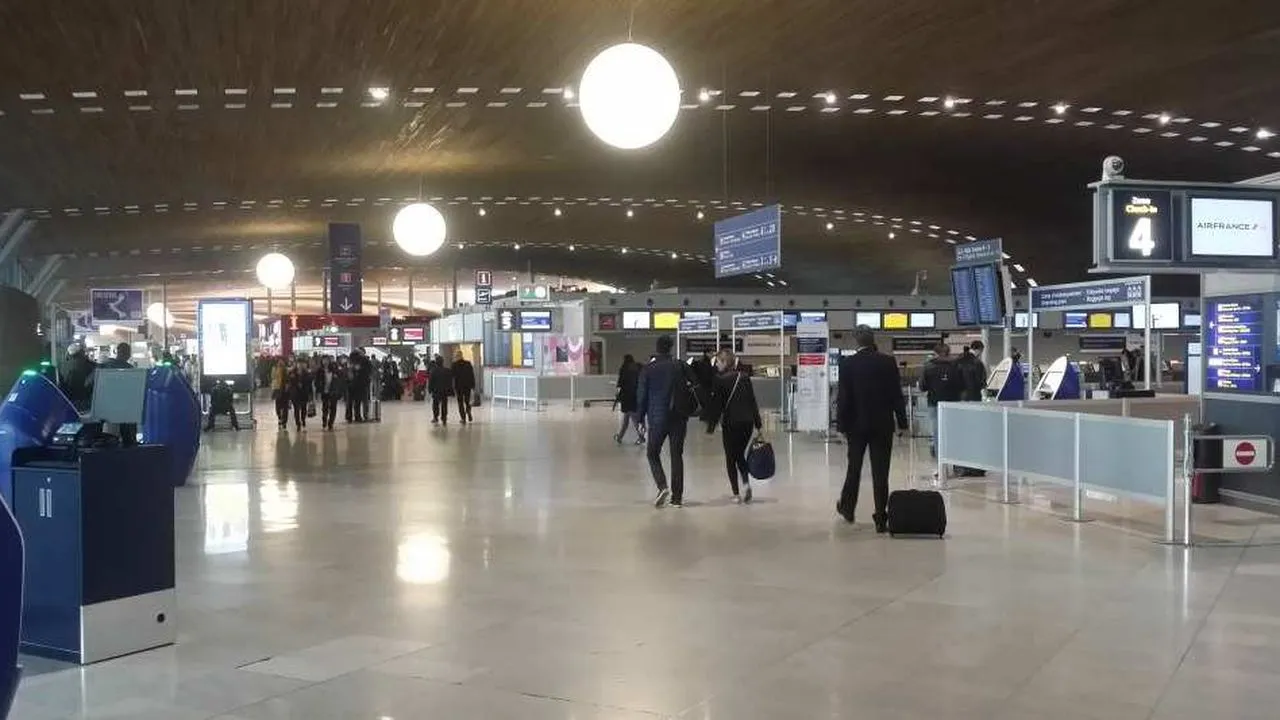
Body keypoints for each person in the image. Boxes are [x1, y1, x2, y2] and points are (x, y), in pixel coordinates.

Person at [835, 326, 908, 532]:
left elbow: (844, 398)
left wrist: (840, 425)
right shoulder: (887, 362)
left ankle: (848, 508)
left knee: (854, 469)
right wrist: (902, 423)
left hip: (856, 426)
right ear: (873, 340)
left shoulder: (848, 364)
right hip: (882, 425)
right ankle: (880, 517)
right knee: (881, 472)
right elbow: (896, 395)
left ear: (856, 342)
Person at [636, 335, 696, 508]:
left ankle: (662, 486)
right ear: (671, 348)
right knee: (677, 455)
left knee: (652, 453)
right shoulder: (680, 365)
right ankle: (677, 499)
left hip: (657, 418)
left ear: (657, 348)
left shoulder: (648, 369)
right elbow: (696, 384)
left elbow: (642, 396)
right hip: (679, 417)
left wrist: (640, 418)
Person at [706, 349, 763, 503]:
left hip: (731, 423)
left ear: (725, 362)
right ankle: (746, 484)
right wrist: (758, 424)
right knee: (739, 455)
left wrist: (711, 426)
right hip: (747, 423)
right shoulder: (744, 377)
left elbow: (717, 405)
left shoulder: (720, 380)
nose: (716, 364)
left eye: (718, 361)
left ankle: (736, 493)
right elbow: (752, 401)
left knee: (731, 458)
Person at [919, 342, 963, 460]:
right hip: (953, 402)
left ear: (935, 353)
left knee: (936, 428)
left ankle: (940, 457)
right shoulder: (957, 366)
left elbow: (923, 386)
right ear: (948, 353)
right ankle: (953, 456)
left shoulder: (928, 366)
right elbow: (962, 384)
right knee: (953, 429)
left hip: (934, 401)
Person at [613, 354, 645, 445]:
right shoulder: (638, 367)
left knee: (634, 418)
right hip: (636, 396)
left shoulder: (624, 368)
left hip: (626, 396)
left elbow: (620, 383)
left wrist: (618, 393)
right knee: (627, 418)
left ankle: (641, 436)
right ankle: (619, 436)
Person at [59, 344, 97, 412]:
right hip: (87, 401)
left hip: (71, 401)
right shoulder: (92, 366)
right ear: (82, 353)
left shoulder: (64, 366)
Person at [316, 357, 348, 431]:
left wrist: (340, 391)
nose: (325, 362)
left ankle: (331, 423)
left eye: (326, 360)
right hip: (325, 392)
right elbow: (317, 381)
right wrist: (319, 389)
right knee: (325, 408)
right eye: (324, 360)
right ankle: (324, 422)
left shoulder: (334, 370)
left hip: (333, 392)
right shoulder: (320, 371)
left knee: (333, 408)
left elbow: (340, 380)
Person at [287, 359, 313, 431]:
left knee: (303, 408)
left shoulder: (307, 373)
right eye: (299, 363)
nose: (300, 365)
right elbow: (290, 383)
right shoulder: (292, 372)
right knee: (296, 409)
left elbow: (309, 383)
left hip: (304, 393)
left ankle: (303, 419)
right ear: (296, 364)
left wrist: (311, 396)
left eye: (302, 363)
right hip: (295, 394)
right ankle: (298, 423)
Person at [428, 354, 454, 425]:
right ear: (443, 362)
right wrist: (450, 390)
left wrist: (430, 389)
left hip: (436, 391)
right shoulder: (447, 370)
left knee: (435, 405)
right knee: (444, 405)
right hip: (444, 391)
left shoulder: (433, 371)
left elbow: (431, 381)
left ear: (436, 362)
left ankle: (436, 417)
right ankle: (444, 418)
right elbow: (450, 382)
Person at [452, 352, 476, 424]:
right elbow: (472, 375)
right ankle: (468, 411)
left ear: (456, 356)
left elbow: (452, 376)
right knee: (467, 401)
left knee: (460, 402)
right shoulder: (468, 363)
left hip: (459, 386)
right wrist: (473, 385)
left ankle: (463, 418)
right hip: (467, 386)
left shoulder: (454, 365)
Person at [271, 358, 290, 429]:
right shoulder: (274, 369)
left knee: (285, 407)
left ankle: (284, 421)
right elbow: (272, 377)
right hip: (277, 389)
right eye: (279, 361)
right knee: (278, 406)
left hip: (285, 390)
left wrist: (287, 386)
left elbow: (288, 379)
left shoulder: (286, 370)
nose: (280, 362)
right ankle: (279, 417)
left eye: (282, 361)